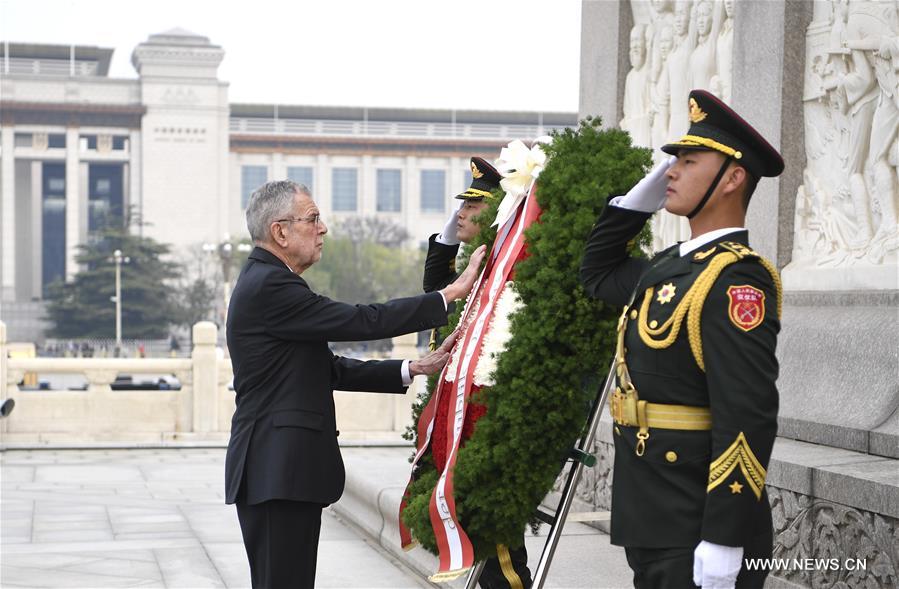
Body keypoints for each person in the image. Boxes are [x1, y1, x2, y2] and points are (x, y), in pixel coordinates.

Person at [225, 180, 485, 589]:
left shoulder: (268, 281)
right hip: (276, 471)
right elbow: (363, 320)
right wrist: (448, 294)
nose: (323, 228)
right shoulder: (271, 286)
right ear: (280, 231)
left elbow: (327, 368)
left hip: (279, 471)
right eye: (312, 219)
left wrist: (413, 367)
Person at [580, 90, 785, 589]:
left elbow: (747, 412)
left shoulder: (736, 280)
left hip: (696, 521)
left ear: (733, 177)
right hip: (652, 512)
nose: (671, 171)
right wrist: (638, 201)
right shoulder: (671, 267)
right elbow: (597, 273)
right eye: (672, 163)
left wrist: (724, 537)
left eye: (689, 162)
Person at [422, 157, 533, 589]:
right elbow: (435, 290)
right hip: (457, 415)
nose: (462, 213)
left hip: (484, 417)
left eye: (473, 206)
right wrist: (452, 232)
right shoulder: (480, 262)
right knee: (482, 539)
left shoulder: (509, 270)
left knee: (500, 551)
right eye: (462, 206)